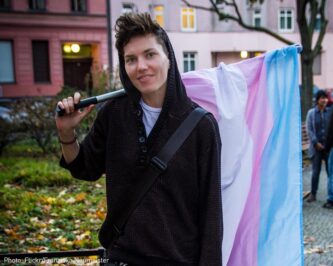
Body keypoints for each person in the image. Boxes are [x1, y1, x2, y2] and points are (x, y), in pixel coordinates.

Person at [55, 13, 223, 265]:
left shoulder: (201, 126)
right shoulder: (113, 114)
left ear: (168, 58)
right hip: (123, 259)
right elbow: (84, 168)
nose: (141, 66)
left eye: (150, 54)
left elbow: (211, 216)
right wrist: (66, 133)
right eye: (130, 59)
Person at [305, 90, 331, 202]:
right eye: (322, 98)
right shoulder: (311, 113)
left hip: (327, 147)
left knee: (331, 171)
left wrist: (328, 143)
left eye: (326, 98)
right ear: (317, 100)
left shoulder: (330, 112)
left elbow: (332, 128)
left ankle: (332, 195)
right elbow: (309, 129)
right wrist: (315, 142)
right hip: (316, 148)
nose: (325, 100)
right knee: (315, 172)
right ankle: (313, 194)